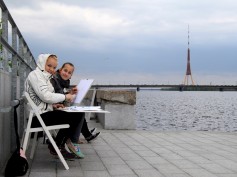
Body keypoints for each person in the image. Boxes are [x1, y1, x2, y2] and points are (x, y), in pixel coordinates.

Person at [24, 54, 85, 159]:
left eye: (54, 67)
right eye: (49, 66)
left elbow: (42, 99)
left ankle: (58, 144)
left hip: (41, 114)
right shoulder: (36, 75)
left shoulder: (43, 76)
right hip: (37, 118)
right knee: (76, 115)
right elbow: (46, 96)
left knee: (76, 114)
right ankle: (57, 145)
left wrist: (54, 105)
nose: (52, 69)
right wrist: (65, 97)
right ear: (42, 63)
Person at [50, 62, 101, 143]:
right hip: (51, 112)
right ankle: (74, 139)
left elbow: (60, 95)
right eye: (65, 70)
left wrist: (70, 93)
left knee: (78, 112)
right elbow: (56, 97)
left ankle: (84, 135)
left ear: (71, 76)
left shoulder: (60, 81)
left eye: (69, 73)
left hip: (54, 108)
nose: (66, 74)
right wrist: (69, 95)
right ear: (60, 70)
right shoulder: (55, 80)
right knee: (78, 113)